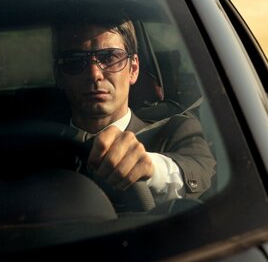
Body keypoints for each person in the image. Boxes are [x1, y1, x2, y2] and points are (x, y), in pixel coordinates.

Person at [52, 17, 215, 205]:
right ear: (59, 75)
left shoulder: (176, 130)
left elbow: (204, 176)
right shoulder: (34, 151)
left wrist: (152, 168)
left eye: (109, 57)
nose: (94, 74)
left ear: (133, 69)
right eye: (75, 61)